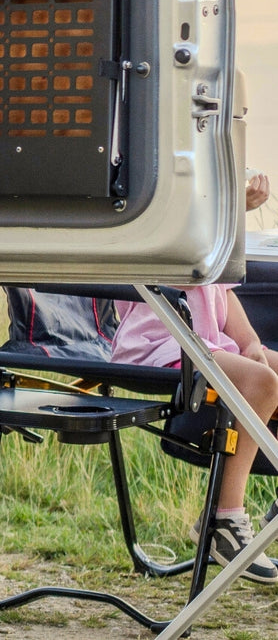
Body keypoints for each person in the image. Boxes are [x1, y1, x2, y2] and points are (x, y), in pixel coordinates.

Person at [111, 173, 278, 583]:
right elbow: (173, 241)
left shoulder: (204, 201)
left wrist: (252, 342)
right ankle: (223, 518)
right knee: (262, 384)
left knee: (268, 370)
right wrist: (230, 210)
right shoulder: (146, 190)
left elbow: (224, 289)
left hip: (206, 342)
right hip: (162, 340)